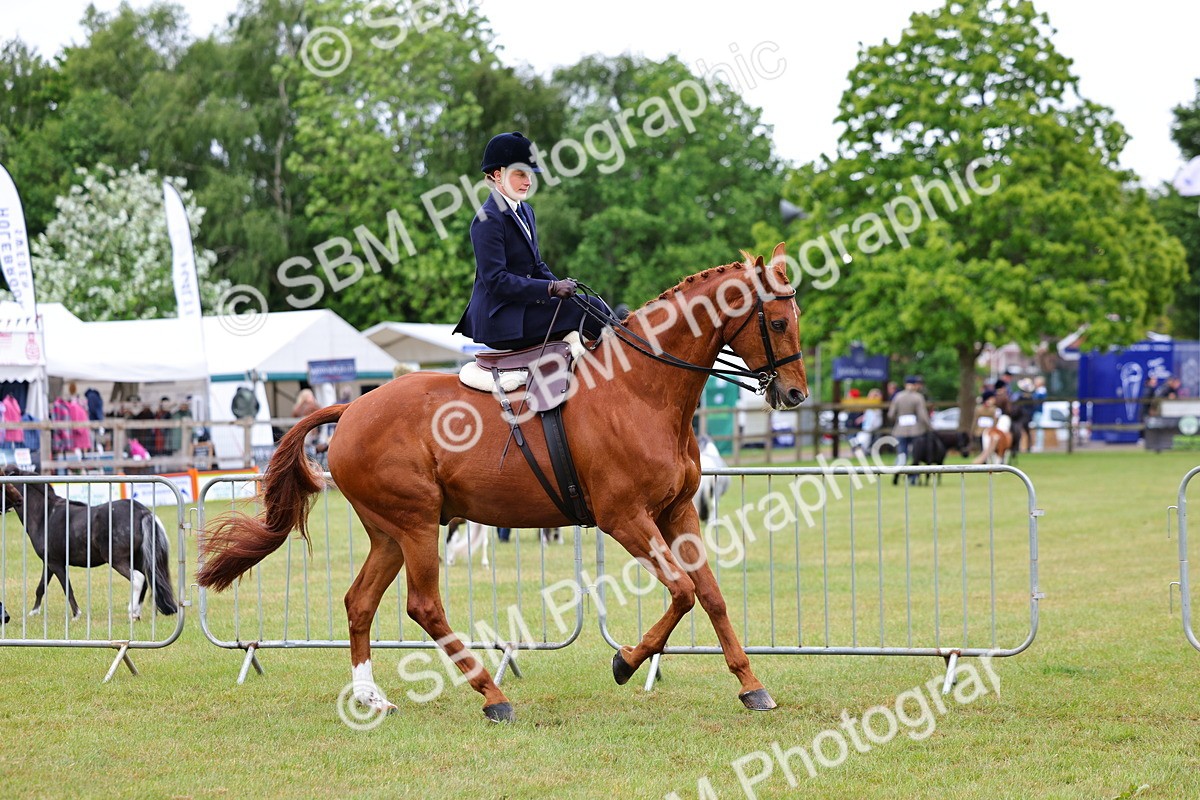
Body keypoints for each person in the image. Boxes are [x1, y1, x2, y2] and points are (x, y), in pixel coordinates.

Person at [453, 131, 612, 351]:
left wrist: (563, 289)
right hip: (499, 318)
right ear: (498, 175)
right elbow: (497, 281)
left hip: (522, 308)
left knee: (592, 305)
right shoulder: (487, 219)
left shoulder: (526, 211)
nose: (528, 182)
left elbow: (536, 266)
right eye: (520, 175)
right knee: (585, 309)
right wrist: (550, 288)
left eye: (530, 175)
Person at [887, 376, 932, 485]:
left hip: (900, 430)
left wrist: (898, 420)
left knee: (901, 454)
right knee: (915, 455)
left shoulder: (898, 396)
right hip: (916, 430)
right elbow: (923, 415)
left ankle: (896, 474)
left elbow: (891, 414)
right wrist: (929, 427)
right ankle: (913, 478)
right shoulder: (918, 397)